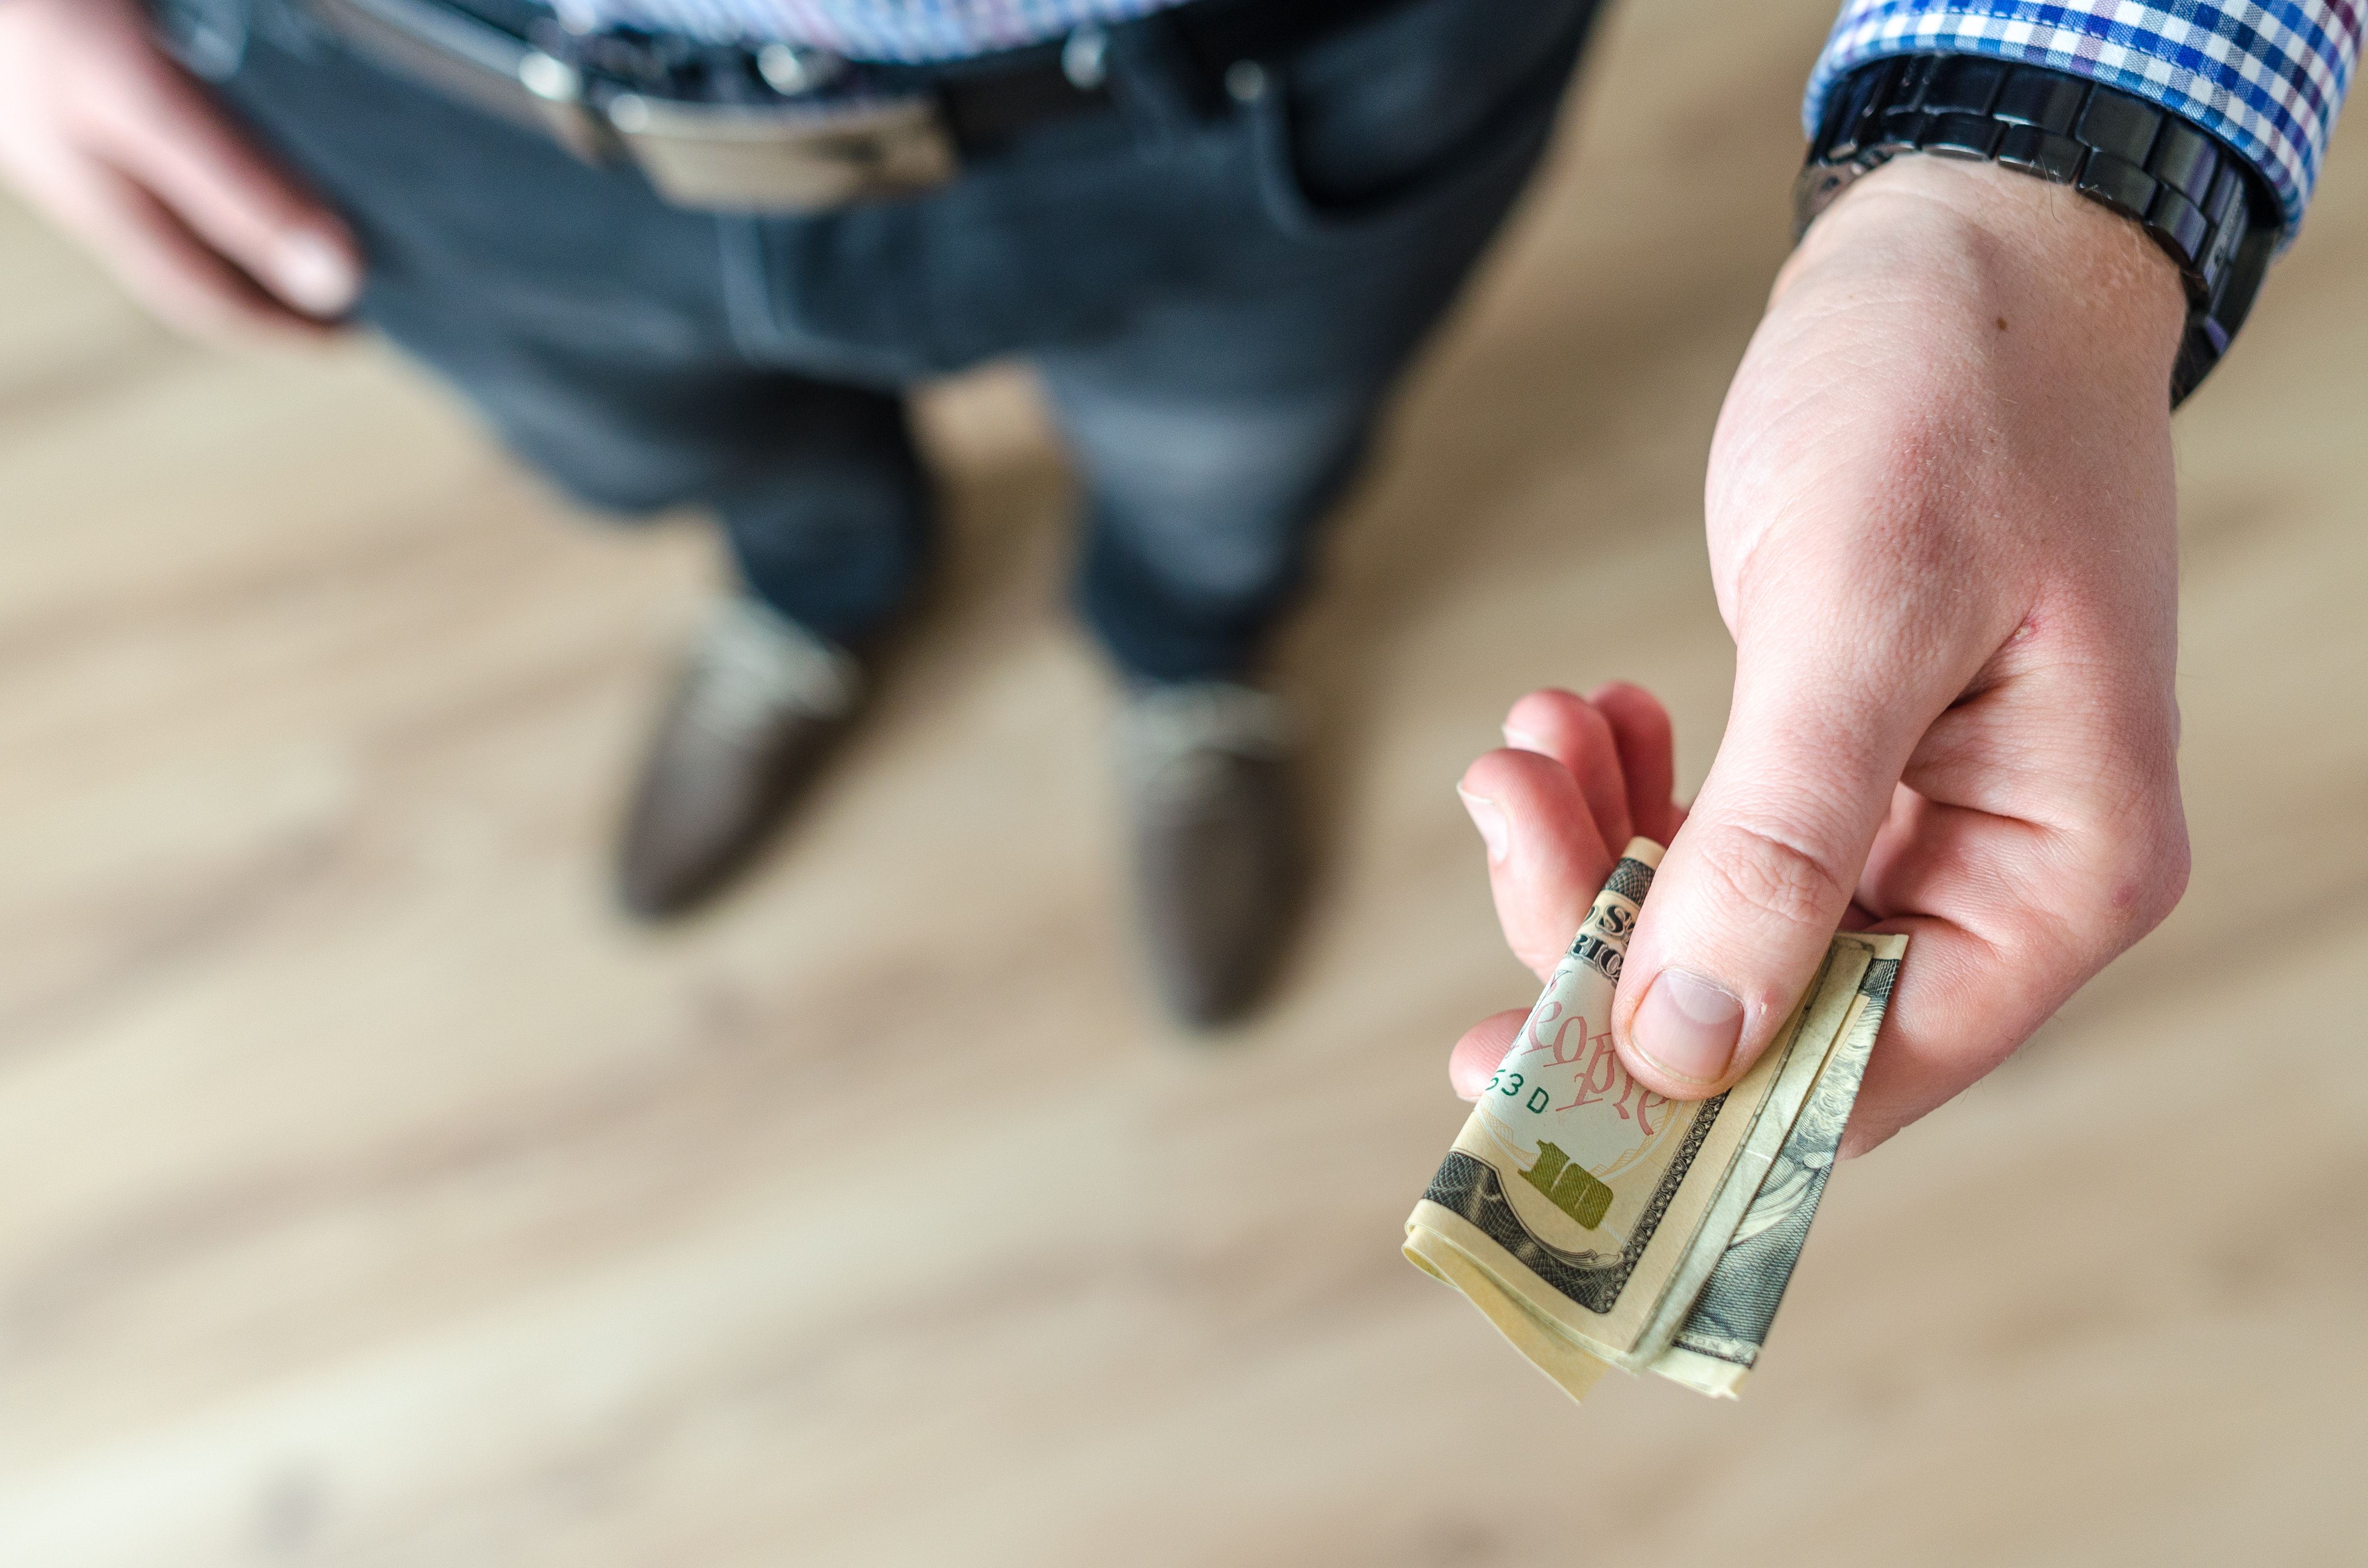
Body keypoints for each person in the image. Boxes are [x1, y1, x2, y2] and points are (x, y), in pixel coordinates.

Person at [0, 1, 2353, 1149]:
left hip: (1281, 74)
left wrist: (2031, 189)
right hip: (403, 98)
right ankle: (818, 592)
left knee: (1233, 484)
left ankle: (1185, 656)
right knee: (665, 462)